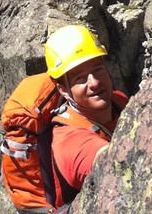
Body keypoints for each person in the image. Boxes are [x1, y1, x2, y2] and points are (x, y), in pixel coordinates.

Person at [44, 24, 129, 204]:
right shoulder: (69, 142)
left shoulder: (117, 100)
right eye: (80, 78)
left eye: (97, 69)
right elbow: (118, 165)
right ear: (64, 90)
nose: (94, 83)